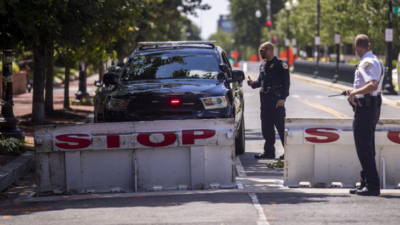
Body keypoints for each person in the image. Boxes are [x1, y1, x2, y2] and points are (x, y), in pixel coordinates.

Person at [347, 34, 384, 196]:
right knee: (367, 147)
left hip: (366, 109)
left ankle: (372, 185)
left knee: (363, 148)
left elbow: (372, 85)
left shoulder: (366, 63)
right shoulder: (376, 60)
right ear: (368, 45)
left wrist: (354, 92)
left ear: (356, 46)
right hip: (373, 107)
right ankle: (366, 182)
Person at [247, 42, 290, 159]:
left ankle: (288, 152)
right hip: (265, 101)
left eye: (262, 51)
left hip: (276, 101)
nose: (260, 53)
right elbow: (260, 82)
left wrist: (283, 98)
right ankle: (269, 152)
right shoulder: (263, 65)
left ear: (269, 50)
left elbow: (286, 83)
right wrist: (252, 83)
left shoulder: (280, 65)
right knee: (266, 128)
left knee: (281, 127)